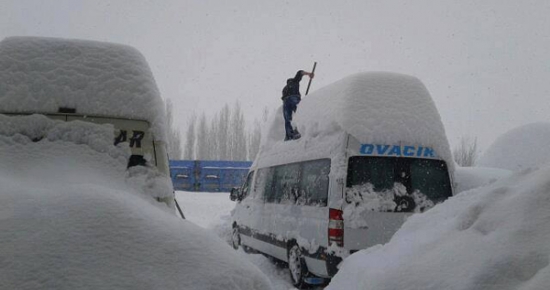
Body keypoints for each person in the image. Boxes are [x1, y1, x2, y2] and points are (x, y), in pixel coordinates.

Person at [281, 70, 314, 141]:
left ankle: (289, 135)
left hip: (286, 102)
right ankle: (298, 130)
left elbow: (283, 98)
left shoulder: (284, 89)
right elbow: (300, 72)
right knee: (299, 114)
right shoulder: (295, 81)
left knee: (287, 119)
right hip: (294, 98)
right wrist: (309, 74)